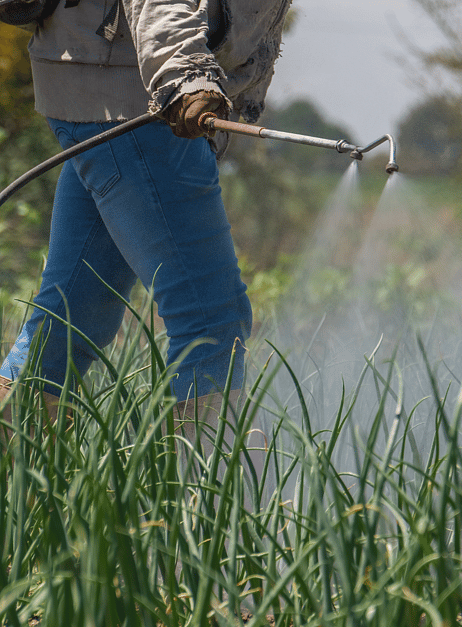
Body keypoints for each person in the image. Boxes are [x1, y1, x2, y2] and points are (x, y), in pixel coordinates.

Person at [0, 0, 292, 427]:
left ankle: (17, 475)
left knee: (74, 313)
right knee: (210, 321)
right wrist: (185, 75)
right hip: (138, 100)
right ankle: (211, 489)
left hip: (99, 84)